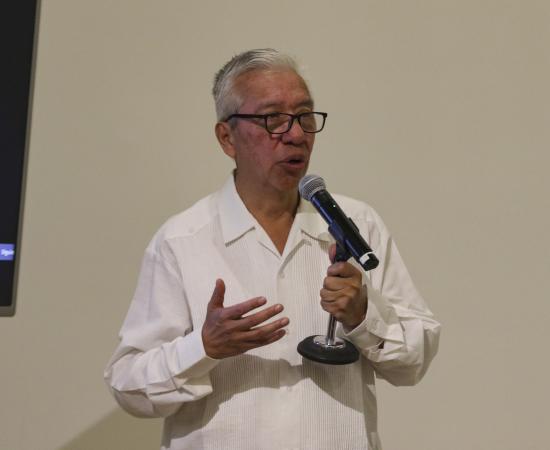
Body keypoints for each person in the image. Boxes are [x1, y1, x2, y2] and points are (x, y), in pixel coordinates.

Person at [104, 48, 441, 450]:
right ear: (227, 137)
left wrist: (364, 315)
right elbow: (129, 385)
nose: (296, 135)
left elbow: (414, 361)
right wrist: (203, 348)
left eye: (304, 116)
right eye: (273, 119)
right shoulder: (181, 240)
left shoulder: (358, 224)